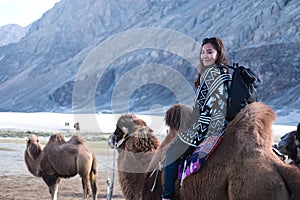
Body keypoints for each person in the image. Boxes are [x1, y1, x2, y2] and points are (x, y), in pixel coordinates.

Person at [161, 37, 232, 200]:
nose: (205, 56)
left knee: (172, 152)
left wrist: (197, 127)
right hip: (222, 124)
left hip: (208, 127)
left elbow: (210, 108)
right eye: (202, 52)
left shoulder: (212, 73)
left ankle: (167, 196)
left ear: (218, 53)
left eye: (209, 52)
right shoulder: (226, 72)